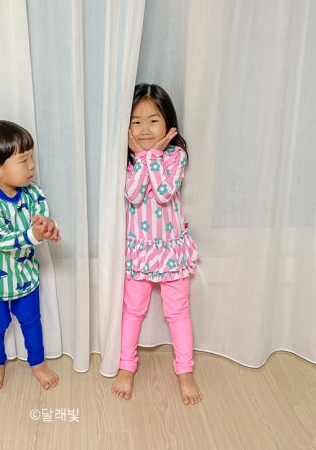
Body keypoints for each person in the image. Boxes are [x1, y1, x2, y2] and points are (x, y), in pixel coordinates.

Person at [111, 84, 203, 404]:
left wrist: (151, 156)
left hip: (171, 250)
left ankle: (185, 371)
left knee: (177, 311)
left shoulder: (176, 155)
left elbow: (164, 192)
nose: (145, 129)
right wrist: (142, 156)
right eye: (136, 122)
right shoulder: (128, 160)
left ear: (168, 123)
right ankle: (127, 365)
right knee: (132, 310)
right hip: (139, 250)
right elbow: (133, 194)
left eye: (153, 120)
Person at [0, 120, 61, 390]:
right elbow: (2, 240)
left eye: (31, 157)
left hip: (25, 275)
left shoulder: (33, 192)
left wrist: (48, 226)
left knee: (32, 322)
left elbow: (42, 215)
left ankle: (37, 362)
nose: (31, 166)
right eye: (23, 160)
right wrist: (35, 234)